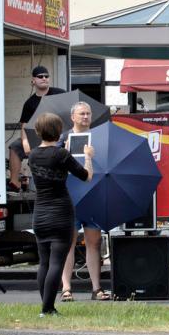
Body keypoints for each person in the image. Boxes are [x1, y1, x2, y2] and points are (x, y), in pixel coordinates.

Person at [28, 113, 93, 317]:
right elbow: (86, 176)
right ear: (58, 131)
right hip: (60, 212)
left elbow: (50, 164)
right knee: (57, 261)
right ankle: (47, 309)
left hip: (40, 214)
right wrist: (89, 156)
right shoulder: (62, 155)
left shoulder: (33, 155)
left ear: (39, 132)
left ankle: (46, 306)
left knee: (44, 262)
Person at [59, 102, 111, 301]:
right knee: (68, 243)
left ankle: (96, 288)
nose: (86, 117)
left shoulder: (99, 136)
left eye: (88, 113)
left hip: (93, 196)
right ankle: (66, 288)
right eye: (82, 113)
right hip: (71, 197)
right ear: (72, 117)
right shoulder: (64, 137)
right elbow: (55, 163)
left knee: (94, 243)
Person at [8, 66, 65, 192]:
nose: (44, 78)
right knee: (14, 147)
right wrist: (25, 142)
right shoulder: (30, 103)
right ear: (33, 80)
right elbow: (24, 125)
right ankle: (14, 182)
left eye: (46, 76)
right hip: (38, 136)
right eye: (40, 76)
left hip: (60, 134)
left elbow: (72, 112)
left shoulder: (60, 93)